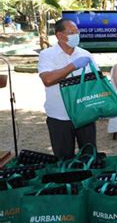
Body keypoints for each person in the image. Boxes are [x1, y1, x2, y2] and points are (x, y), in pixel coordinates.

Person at [38, 18, 97, 159]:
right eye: (72, 32)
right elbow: (48, 79)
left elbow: (96, 81)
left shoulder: (85, 54)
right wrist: (72, 66)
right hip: (59, 116)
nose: (76, 34)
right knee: (64, 158)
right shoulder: (47, 55)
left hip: (85, 113)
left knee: (89, 157)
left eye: (77, 31)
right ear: (59, 36)